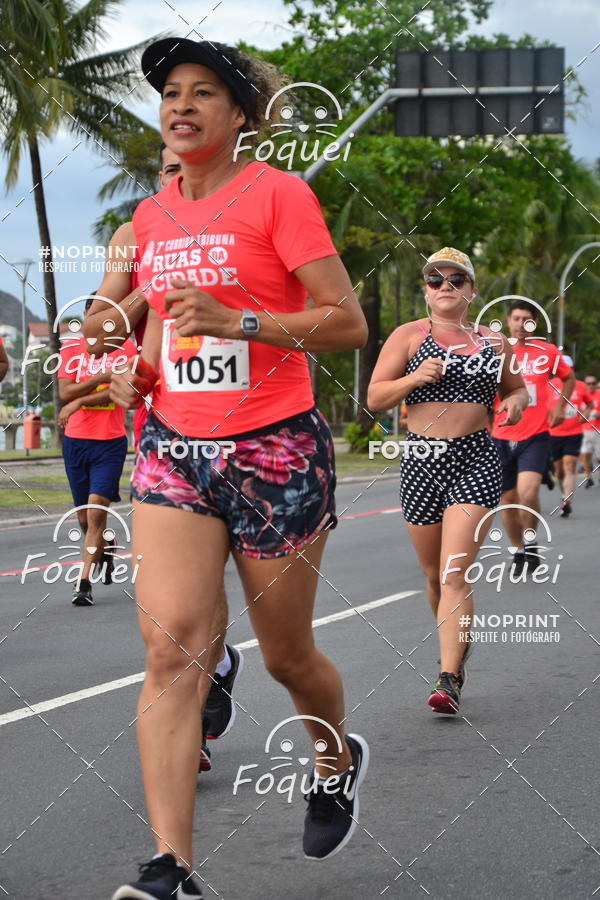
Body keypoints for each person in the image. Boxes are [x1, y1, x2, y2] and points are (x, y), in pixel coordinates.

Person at [109, 38, 369, 900]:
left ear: (240, 116)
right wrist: (137, 370)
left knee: (286, 657)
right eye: (170, 94)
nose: (181, 107)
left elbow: (344, 323)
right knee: (171, 650)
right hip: (174, 449)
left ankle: (333, 760)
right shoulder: (150, 218)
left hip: (274, 449)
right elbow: (162, 335)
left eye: (203, 93)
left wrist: (241, 321)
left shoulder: (280, 196)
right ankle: (169, 868)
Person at [84, 145, 239, 773]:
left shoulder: (245, 212)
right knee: (177, 607)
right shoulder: (136, 230)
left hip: (246, 428)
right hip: (164, 430)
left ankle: (221, 664)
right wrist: (146, 293)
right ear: (158, 178)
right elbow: (96, 329)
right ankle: (195, 724)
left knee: (218, 599)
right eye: (169, 170)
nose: (180, 178)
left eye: (189, 166)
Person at [368, 247, 527, 716]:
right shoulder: (408, 337)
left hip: (475, 458)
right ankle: (455, 644)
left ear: (472, 290)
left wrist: (515, 403)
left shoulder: (495, 344)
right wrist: (414, 378)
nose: (445, 287)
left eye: (456, 279)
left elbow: (515, 389)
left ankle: (449, 675)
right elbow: (376, 396)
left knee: (455, 571)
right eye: (435, 280)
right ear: (426, 290)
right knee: (435, 575)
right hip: (421, 459)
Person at [58, 297, 137, 605]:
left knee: (95, 511)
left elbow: (120, 393)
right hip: (76, 442)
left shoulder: (126, 349)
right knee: (83, 519)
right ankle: (107, 543)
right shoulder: (70, 350)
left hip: (110, 442)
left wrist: (81, 397)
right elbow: (65, 391)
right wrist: (102, 379)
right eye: (95, 313)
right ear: (87, 316)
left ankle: (84, 584)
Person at [491, 300, 574, 575]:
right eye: (516, 318)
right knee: (509, 500)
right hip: (501, 435)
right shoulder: (496, 351)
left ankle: (531, 541)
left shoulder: (547, 352)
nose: (521, 324)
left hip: (536, 434)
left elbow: (569, 378)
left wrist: (560, 406)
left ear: (534, 324)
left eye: (527, 320)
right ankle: (517, 551)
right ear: (509, 321)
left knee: (528, 493)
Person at [547, 358, 593, 517]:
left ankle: (567, 500)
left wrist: (585, 415)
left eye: (569, 367)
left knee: (569, 465)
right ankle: (564, 494)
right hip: (553, 433)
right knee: (559, 472)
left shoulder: (580, 385)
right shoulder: (550, 385)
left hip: (574, 432)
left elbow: (590, 404)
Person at [580, 373, 600, 487]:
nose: (591, 386)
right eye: (588, 384)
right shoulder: (581, 395)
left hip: (598, 430)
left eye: (593, 383)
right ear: (585, 384)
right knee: (585, 455)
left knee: (598, 457)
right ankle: (589, 479)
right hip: (584, 431)